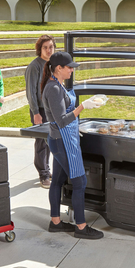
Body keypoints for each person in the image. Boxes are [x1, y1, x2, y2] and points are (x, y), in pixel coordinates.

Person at [41, 51, 104, 239]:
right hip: (62, 142)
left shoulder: (57, 84)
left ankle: (56, 223)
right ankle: (81, 227)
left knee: (58, 181)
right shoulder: (53, 88)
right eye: (69, 68)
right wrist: (83, 106)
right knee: (80, 182)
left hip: (62, 139)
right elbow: (61, 121)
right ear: (59, 68)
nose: (71, 71)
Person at [25, 35, 55, 189]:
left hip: (51, 110)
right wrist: (35, 112)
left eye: (51, 47)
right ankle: (43, 174)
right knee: (41, 143)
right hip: (39, 110)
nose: (49, 50)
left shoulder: (53, 64)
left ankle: (47, 169)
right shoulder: (34, 66)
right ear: (40, 49)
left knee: (50, 141)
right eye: (45, 47)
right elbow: (30, 92)